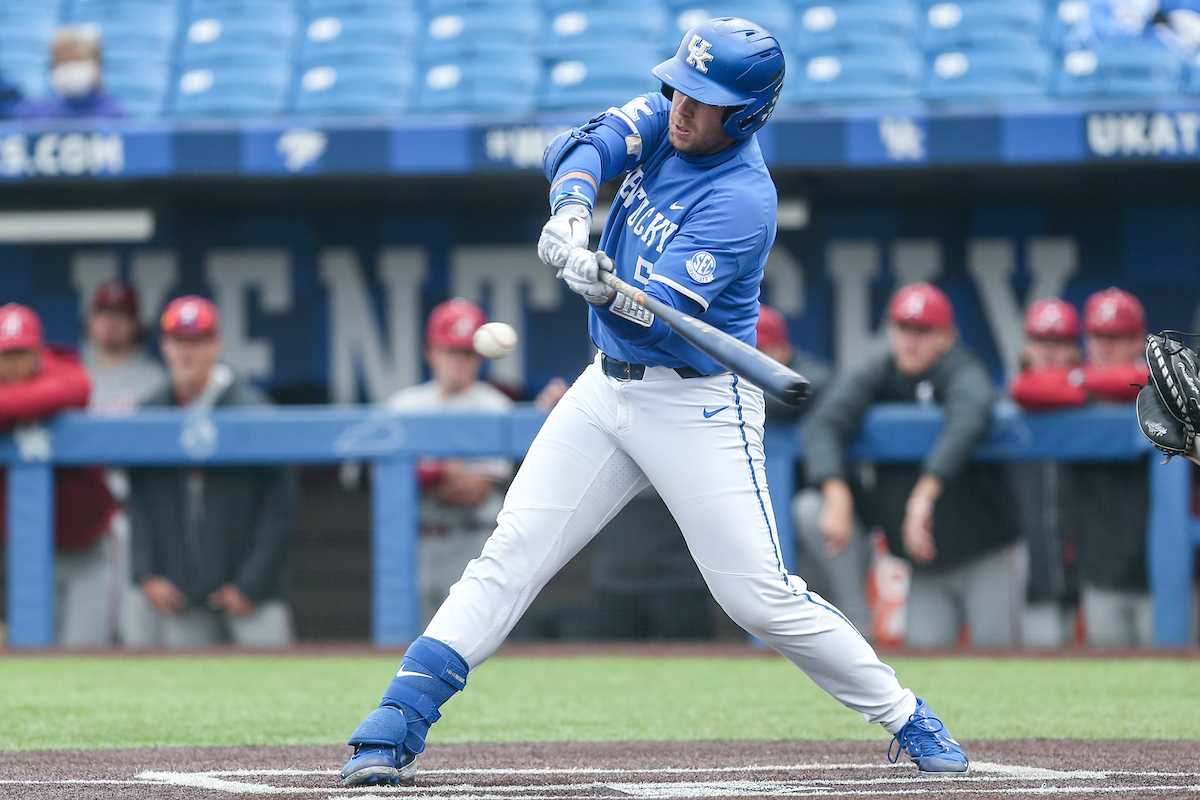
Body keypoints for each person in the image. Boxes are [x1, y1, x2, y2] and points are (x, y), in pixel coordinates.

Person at [340, 19, 968, 788]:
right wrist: (573, 209)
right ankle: (396, 722)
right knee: (511, 553)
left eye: (704, 100)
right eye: (679, 88)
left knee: (758, 599)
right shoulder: (669, 117)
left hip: (698, 405)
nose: (682, 107)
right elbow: (583, 146)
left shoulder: (742, 200)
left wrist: (602, 288)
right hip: (605, 388)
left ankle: (905, 714)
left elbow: (653, 318)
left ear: (746, 115)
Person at [804, 283, 1021, 649]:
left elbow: (972, 414)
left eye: (923, 330)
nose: (911, 339)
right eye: (904, 328)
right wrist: (836, 490)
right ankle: (857, 617)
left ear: (947, 337)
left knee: (998, 660)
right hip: (923, 564)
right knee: (927, 663)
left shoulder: (961, 367)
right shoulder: (881, 372)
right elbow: (821, 424)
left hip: (983, 552)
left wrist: (924, 494)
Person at [126, 296, 295, 648]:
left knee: (275, 679)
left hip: (252, 596)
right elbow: (138, 501)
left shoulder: (253, 411)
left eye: (197, 341)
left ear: (216, 345)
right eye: (178, 341)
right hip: (183, 595)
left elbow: (280, 505)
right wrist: (147, 572)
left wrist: (252, 582)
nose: (186, 351)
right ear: (164, 345)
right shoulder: (150, 412)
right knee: (185, 683)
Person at [1009, 288, 1151, 646]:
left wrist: (1081, 378)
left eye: (1115, 336)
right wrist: (1083, 380)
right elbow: (1024, 387)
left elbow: (1155, 380)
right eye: (1097, 336)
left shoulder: (1165, 384)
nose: (1104, 346)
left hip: (1164, 570)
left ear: (1138, 340)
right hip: (1101, 572)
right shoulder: (1074, 396)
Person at [384, 298, 515, 627]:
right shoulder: (402, 406)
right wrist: (446, 471)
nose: (460, 361)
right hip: (412, 546)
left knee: (474, 641)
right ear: (430, 352)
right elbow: (379, 483)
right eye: (451, 351)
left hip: (471, 543)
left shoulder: (494, 407)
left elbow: (475, 492)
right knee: (405, 643)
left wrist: (421, 474)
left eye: (467, 352)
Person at [0, 303, 118, 647]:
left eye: (22, 353)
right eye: (6, 355)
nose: (14, 363)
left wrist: (14, 407)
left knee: (84, 654)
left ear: (39, 351)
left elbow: (76, 388)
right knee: (30, 656)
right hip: (20, 555)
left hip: (85, 546)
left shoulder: (64, 368)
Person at [80, 281, 169, 648]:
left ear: (136, 324)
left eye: (120, 315)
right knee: (86, 629)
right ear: (89, 321)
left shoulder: (155, 379)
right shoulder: (73, 375)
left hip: (137, 510)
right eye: (103, 313)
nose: (110, 323)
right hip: (86, 515)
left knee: (137, 625)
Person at [1009, 298, 1084, 647]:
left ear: (1075, 348)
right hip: (1025, 572)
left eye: (1059, 341)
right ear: (1027, 346)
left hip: (1093, 570)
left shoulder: (1097, 399)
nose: (1049, 350)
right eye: (1041, 340)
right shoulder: (1008, 406)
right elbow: (1024, 388)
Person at [16, 26, 123, 120]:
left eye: (77, 60)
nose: (70, 68)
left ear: (97, 65)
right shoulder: (34, 114)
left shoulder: (114, 115)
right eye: (63, 62)